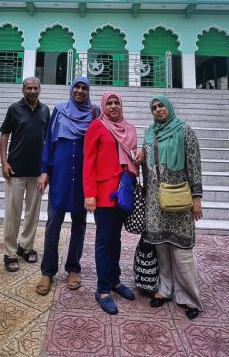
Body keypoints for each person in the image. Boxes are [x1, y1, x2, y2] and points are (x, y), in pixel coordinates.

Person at [142, 94, 204, 320]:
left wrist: (196, 199)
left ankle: (188, 297)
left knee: (181, 250)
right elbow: (147, 163)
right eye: (154, 108)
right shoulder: (150, 132)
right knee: (161, 247)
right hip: (155, 200)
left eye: (161, 106)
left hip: (178, 198)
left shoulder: (184, 130)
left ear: (169, 108)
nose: (158, 110)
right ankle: (165, 289)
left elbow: (194, 164)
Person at [35, 76, 97, 295]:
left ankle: (73, 268)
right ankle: (47, 271)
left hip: (83, 176)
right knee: (54, 222)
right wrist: (45, 170)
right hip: (60, 173)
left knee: (79, 223)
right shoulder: (59, 110)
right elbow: (49, 141)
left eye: (84, 88)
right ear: (71, 89)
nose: (80, 91)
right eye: (77, 87)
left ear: (88, 91)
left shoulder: (94, 113)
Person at [83, 91, 138, 315]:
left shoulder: (130, 128)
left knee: (115, 239)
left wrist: (139, 157)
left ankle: (115, 281)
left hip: (124, 192)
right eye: (109, 103)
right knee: (104, 241)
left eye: (117, 103)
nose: (113, 106)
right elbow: (88, 161)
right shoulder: (97, 127)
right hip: (104, 193)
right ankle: (103, 289)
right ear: (103, 107)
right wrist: (89, 194)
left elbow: (133, 155)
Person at [0, 77, 50, 272]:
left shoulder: (45, 110)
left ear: (40, 89)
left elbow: (49, 140)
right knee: (12, 213)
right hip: (16, 171)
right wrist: (4, 162)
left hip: (37, 172)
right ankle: (10, 252)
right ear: (23, 90)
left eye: (35, 88)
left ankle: (26, 246)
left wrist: (46, 170)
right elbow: (4, 135)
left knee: (32, 213)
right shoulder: (14, 109)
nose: (32, 91)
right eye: (28, 88)